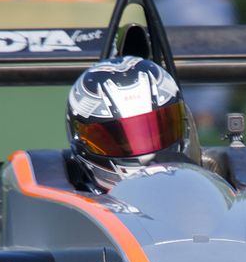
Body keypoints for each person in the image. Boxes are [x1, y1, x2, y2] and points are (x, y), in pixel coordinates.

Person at [64, 55, 190, 188]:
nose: (143, 147)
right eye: (123, 141)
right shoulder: (63, 198)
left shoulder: (198, 183)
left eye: (158, 134)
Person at [156, 0, 236, 126]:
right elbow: (222, 53)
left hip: (165, 95)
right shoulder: (217, 4)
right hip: (201, 100)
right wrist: (208, 109)